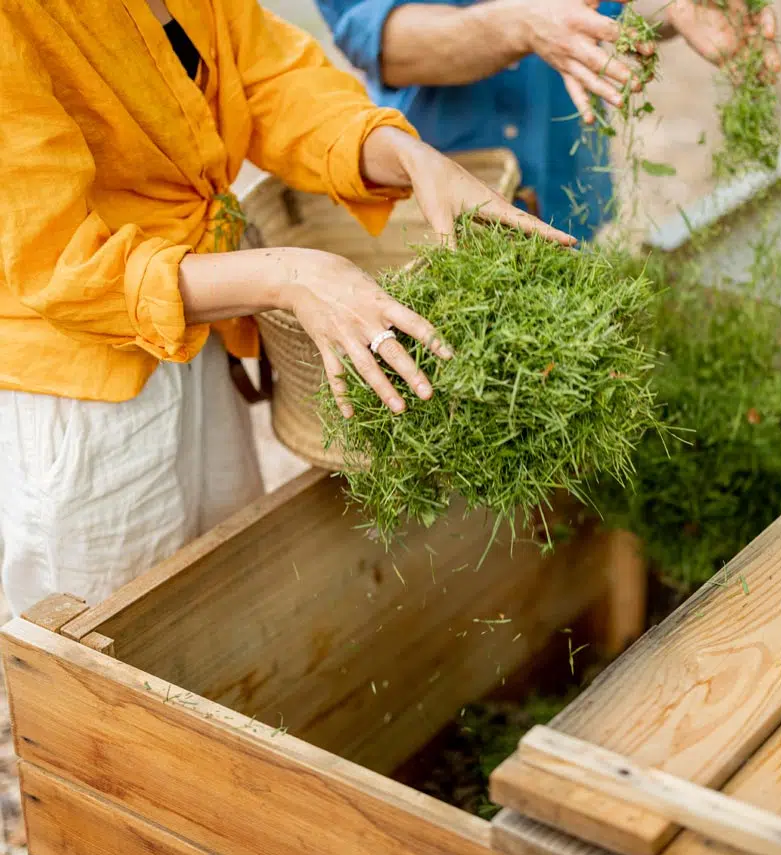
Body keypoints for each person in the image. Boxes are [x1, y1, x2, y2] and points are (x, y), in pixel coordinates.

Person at [0, 0, 572, 617]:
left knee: (224, 595)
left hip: (200, 322)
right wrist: (291, 275)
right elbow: (59, 262)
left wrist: (404, 155)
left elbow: (271, 80)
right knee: (110, 637)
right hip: (82, 380)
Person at [315, 0, 781, 241]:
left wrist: (676, 7)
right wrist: (519, 25)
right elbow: (377, 37)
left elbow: (610, 12)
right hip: (445, 191)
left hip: (566, 177)